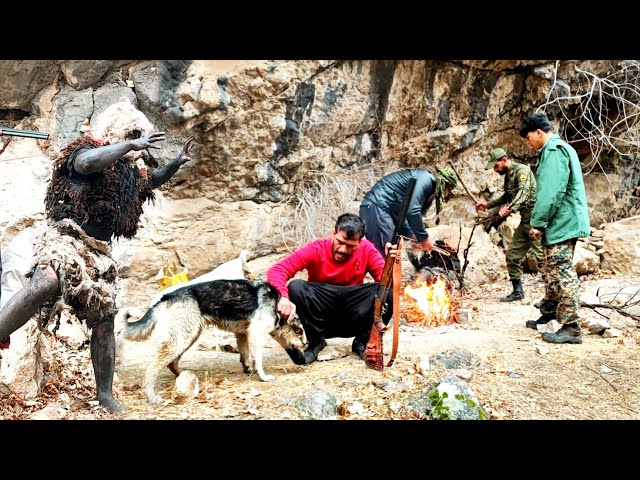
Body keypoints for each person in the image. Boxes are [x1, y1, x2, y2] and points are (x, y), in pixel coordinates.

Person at [0, 101, 193, 412]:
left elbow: (151, 181)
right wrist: (128, 143)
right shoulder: (84, 149)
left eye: (140, 138)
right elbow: (88, 164)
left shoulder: (129, 174)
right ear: (114, 133)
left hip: (98, 253)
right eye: (132, 136)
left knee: (104, 319)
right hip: (66, 237)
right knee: (45, 281)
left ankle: (104, 394)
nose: (139, 145)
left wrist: (175, 163)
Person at [266, 213, 394, 364]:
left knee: (388, 293)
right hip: (321, 318)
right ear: (333, 234)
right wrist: (283, 297)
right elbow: (277, 270)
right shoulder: (316, 248)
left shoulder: (367, 249)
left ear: (360, 242)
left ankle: (363, 341)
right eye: (340, 242)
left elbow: (386, 282)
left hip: (353, 317)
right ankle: (315, 342)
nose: (343, 249)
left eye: (351, 246)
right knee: (296, 287)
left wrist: (392, 264)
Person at [519, 112, 590, 344]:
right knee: (550, 268)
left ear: (539, 132)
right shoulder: (561, 149)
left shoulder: (553, 151)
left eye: (529, 138)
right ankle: (549, 313)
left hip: (562, 222)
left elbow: (550, 193)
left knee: (562, 272)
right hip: (562, 222)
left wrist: (538, 222)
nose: (528, 143)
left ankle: (571, 327)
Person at [476, 147, 543, 302]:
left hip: (535, 221)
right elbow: (507, 196)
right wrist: (488, 205)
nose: (495, 170)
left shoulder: (522, 171)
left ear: (504, 160)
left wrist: (510, 208)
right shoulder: (508, 175)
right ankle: (518, 291)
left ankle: (553, 297)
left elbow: (524, 193)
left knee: (542, 259)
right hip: (525, 222)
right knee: (512, 256)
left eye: (496, 166)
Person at [359, 166, 458, 257]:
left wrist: (413, 237)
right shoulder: (427, 178)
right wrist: (424, 238)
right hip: (377, 208)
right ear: (444, 183)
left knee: (390, 257)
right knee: (388, 257)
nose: (447, 194)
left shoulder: (424, 180)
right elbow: (412, 211)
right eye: (449, 190)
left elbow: (402, 214)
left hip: (377, 209)